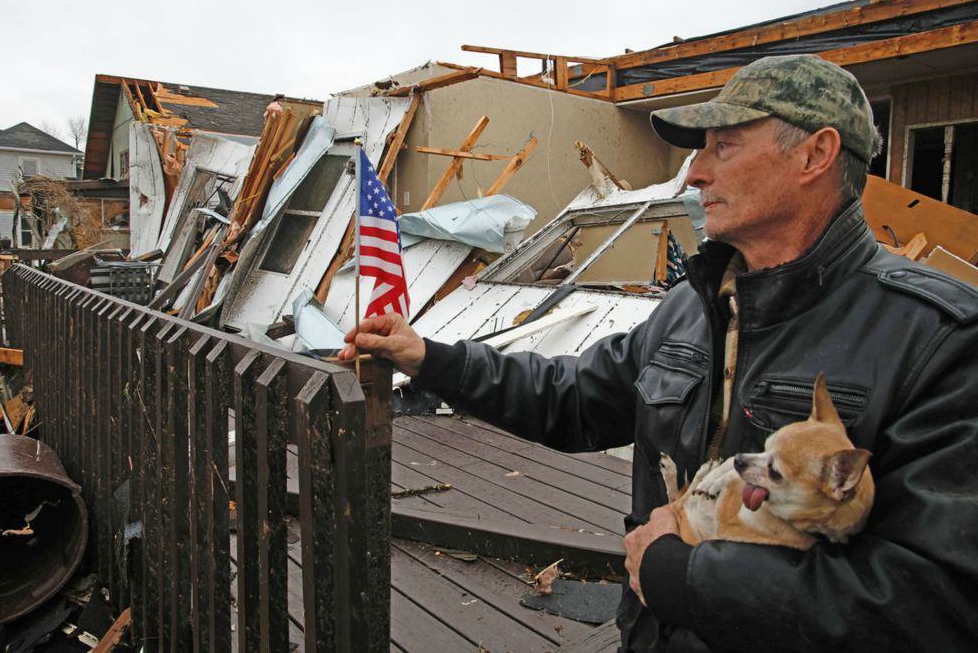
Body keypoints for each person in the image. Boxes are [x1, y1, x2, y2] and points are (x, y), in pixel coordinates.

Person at [338, 55, 978, 652]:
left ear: (816, 153)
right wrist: (430, 358)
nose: (696, 173)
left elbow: (938, 599)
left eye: (723, 147)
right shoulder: (693, 307)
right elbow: (574, 397)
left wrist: (689, 577)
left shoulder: (939, 338)